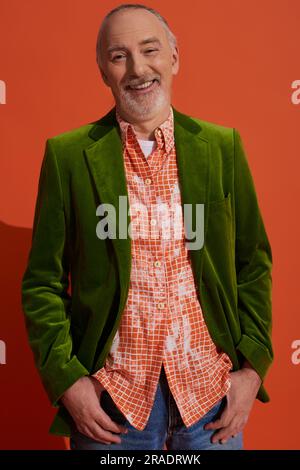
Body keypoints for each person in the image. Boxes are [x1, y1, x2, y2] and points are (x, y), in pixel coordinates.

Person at [21, 3, 273, 451]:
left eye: (150, 50)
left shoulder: (221, 147)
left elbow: (252, 264)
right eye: (119, 56)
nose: (138, 68)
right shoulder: (67, 156)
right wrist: (68, 382)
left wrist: (252, 370)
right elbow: (42, 282)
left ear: (174, 57)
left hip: (209, 404)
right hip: (113, 410)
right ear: (103, 71)